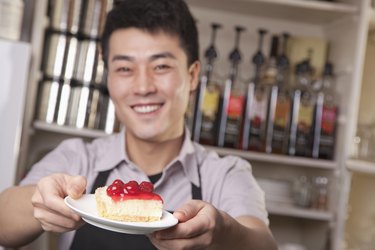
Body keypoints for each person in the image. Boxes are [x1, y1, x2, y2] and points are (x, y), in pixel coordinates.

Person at [0, 0, 277, 249]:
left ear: (192, 76)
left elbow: (262, 241)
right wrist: (40, 200)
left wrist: (225, 231)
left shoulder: (225, 174)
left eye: (161, 67)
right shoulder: (78, 158)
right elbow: (3, 224)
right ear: (108, 77)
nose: (143, 87)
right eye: (124, 69)